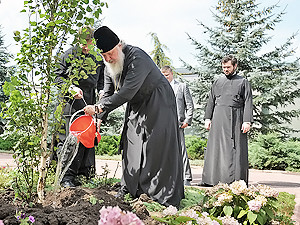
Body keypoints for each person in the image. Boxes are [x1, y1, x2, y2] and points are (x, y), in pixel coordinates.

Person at [84, 26, 184, 206]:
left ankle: (158, 193)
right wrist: (99, 119)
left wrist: (99, 108)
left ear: (119, 46)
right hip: (136, 104)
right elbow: (107, 93)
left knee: (155, 146)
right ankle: (130, 187)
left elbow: (127, 91)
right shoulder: (109, 65)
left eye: (110, 54)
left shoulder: (137, 57)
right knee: (131, 142)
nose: (107, 59)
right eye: (103, 56)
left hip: (158, 101)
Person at [54, 26, 104, 188]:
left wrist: (103, 92)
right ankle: (66, 177)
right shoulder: (67, 55)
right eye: (83, 42)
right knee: (71, 140)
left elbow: (102, 80)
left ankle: (86, 175)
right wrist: (70, 87)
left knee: (89, 138)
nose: (86, 45)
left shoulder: (97, 58)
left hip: (89, 102)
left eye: (89, 42)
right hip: (70, 104)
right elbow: (57, 76)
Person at [200, 55, 253, 187]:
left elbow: (248, 102)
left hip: (235, 119)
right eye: (224, 67)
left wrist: (247, 121)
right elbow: (211, 101)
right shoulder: (218, 82)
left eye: (228, 67)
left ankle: (236, 182)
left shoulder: (243, 82)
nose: (226, 69)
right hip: (218, 118)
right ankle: (212, 180)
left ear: (235, 66)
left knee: (234, 149)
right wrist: (208, 118)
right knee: (215, 148)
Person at [160, 66, 194, 186]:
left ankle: (186, 177)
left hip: (178, 123)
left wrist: (187, 120)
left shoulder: (182, 86)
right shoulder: (160, 88)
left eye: (167, 75)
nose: (165, 77)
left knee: (181, 149)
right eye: (163, 75)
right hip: (163, 123)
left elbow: (189, 105)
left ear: (171, 73)